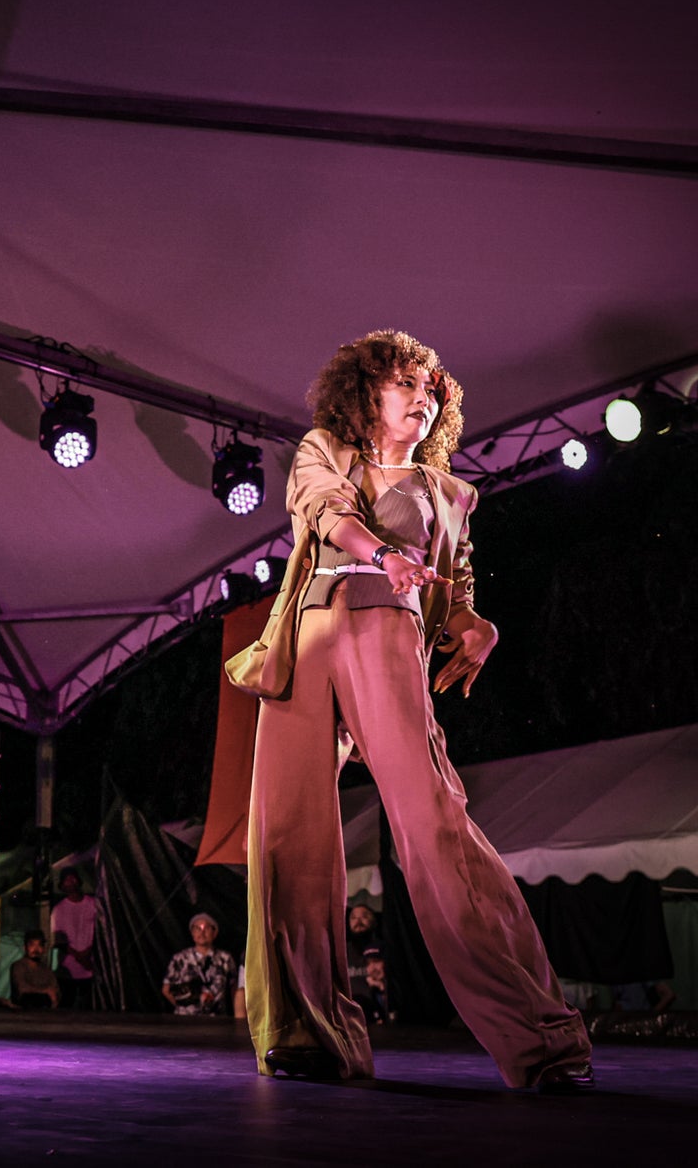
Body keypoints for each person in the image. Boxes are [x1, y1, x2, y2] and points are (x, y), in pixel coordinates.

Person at [229, 330, 594, 1092]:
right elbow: (325, 512)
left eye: (432, 391)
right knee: (288, 835)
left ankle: (540, 1038)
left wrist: (476, 626)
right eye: (406, 384)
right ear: (365, 393)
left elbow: (454, 592)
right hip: (306, 644)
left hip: (386, 642)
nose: (423, 399)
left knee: (435, 828)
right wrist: (382, 554)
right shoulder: (325, 450)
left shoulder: (449, 495)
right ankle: (306, 1033)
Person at [163, 913, 240, 1016]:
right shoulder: (179, 959)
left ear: (214, 932)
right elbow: (166, 989)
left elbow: (235, 988)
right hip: (186, 1019)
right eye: (197, 928)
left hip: (216, 1018)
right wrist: (184, 1007)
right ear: (192, 933)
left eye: (206, 928)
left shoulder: (225, 958)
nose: (202, 933)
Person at [50, 867, 99, 1008]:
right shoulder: (59, 909)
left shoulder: (93, 904)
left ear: (78, 881)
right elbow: (58, 939)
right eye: (66, 880)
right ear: (62, 885)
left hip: (91, 966)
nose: (70, 882)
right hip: (68, 969)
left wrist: (88, 953)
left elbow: (100, 931)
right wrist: (80, 957)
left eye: (72, 878)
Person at [10, 931, 61, 1009]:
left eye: (39, 945)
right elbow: (22, 988)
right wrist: (45, 991)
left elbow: (55, 989)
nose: (36, 949)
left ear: (43, 949)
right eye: (32, 945)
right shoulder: (19, 966)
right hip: (23, 1011)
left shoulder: (46, 969)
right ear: (25, 948)